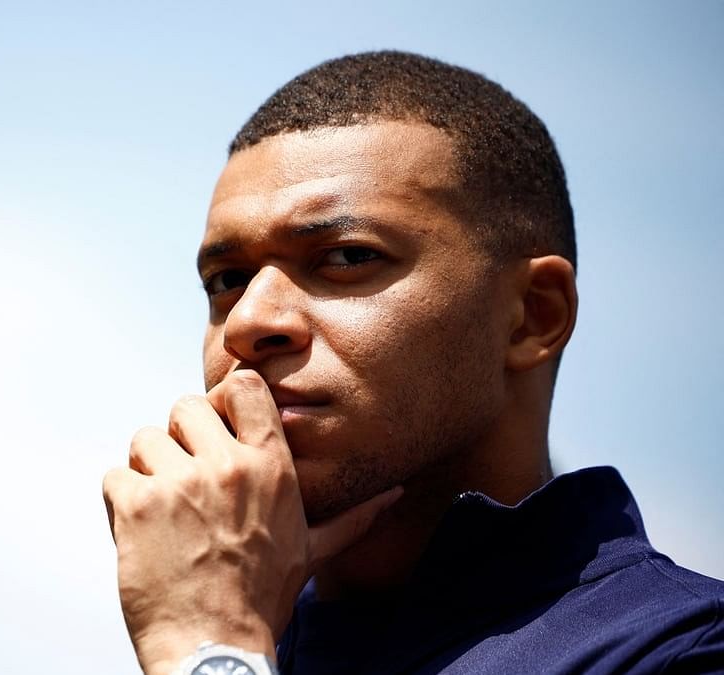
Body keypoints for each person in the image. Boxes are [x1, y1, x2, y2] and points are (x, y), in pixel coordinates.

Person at [102, 51, 724, 675]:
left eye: (346, 257)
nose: (247, 323)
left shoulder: (680, 649)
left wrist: (210, 646)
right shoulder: (255, 633)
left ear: (533, 315)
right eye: (228, 278)